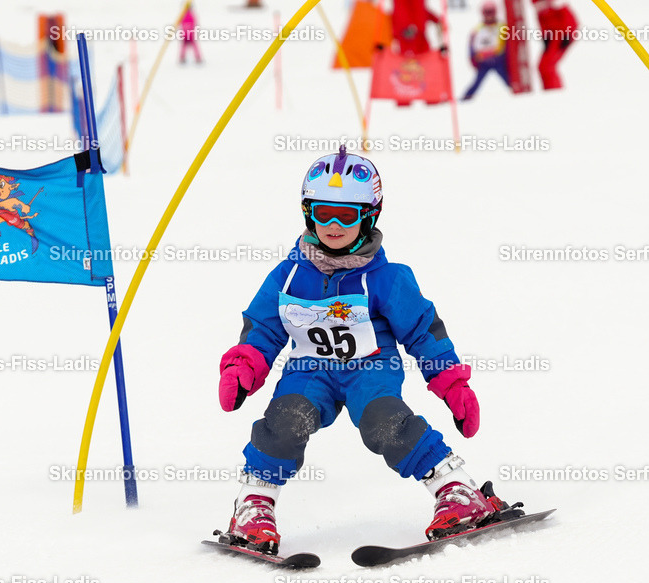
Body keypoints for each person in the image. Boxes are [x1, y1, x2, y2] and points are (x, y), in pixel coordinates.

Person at [216, 145, 510, 555]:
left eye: (347, 216)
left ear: (369, 217)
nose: (333, 225)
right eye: (323, 213)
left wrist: (450, 383)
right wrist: (244, 365)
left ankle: (457, 490)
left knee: (383, 421)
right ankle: (254, 504)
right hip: (307, 370)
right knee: (286, 420)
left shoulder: (387, 279)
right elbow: (263, 327)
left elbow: (424, 332)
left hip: (370, 370)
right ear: (307, 214)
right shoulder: (287, 276)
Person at [461, 2, 510, 100]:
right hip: (484, 62)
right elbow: (472, 46)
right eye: (487, 13)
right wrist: (474, 59)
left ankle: (518, 93)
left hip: (498, 61)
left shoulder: (502, 27)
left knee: (508, 80)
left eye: (491, 12)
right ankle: (466, 98)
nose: (489, 16)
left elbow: (508, 44)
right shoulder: (478, 29)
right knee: (477, 82)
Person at [532, 0, 578, 90]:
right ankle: (551, 89)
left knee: (547, 65)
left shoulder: (555, 4)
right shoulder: (539, 8)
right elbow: (542, 21)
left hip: (562, 34)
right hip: (553, 36)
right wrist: (545, 37)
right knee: (543, 66)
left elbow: (567, 16)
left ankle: (555, 90)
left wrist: (567, 34)